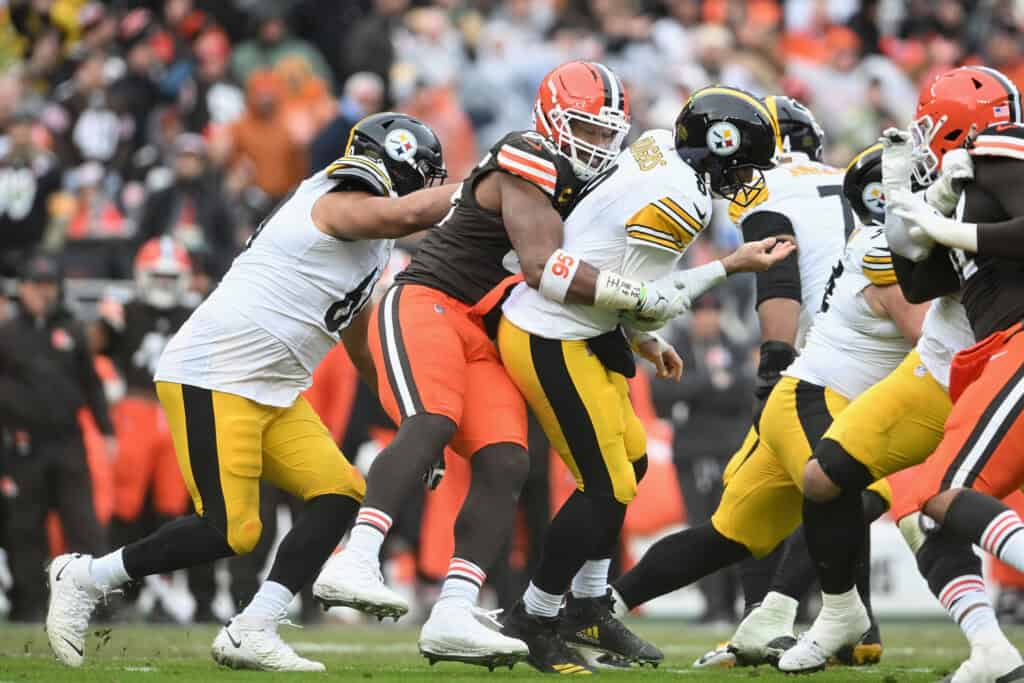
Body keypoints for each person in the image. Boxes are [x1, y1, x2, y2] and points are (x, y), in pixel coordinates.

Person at [312, 61, 691, 673]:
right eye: (585, 129)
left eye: (606, 133)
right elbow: (544, 268)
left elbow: (578, 273)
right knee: (433, 420)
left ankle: (455, 612)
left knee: (507, 461)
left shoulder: (588, 184)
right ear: (551, 119)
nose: (597, 144)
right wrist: (644, 301)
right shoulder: (526, 154)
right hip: (431, 301)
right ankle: (355, 557)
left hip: (489, 329)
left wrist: (637, 333)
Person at [44, 112, 450, 672]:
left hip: (275, 389)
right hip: (215, 374)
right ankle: (86, 577)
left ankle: (254, 627)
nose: (428, 186)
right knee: (232, 528)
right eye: (426, 174)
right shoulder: (333, 198)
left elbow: (358, 340)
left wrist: (407, 419)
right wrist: (492, 179)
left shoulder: (371, 244)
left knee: (339, 493)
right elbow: (408, 212)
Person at [497, 85, 794, 670]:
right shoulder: (685, 198)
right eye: (744, 165)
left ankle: (587, 607)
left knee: (629, 465)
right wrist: (728, 266)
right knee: (605, 485)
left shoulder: (660, 147)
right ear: (719, 147)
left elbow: (611, 268)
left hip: (582, 329)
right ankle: (534, 615)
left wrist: (640, 337)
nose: (745, 178)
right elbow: (651, 297)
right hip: (552, 333)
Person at [607, 136, 930, 662]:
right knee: (854, 490)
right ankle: (826, 614)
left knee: (732, 532)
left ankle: (602, 608)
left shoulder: (820, 205)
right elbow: (930, 339)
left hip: (813, 383)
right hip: (819, 390)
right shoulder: (879, 244)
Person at [780, 65, 1024, 681]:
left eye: (929, 126)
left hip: (1003, 360)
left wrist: (949, 226)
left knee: (938, 497)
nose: (919, 139)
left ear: (959, 126)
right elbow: (920, 283)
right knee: (848, 483)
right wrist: (905, 210)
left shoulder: (1001, 154)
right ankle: (978, 646)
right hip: (953, 370)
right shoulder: (958, 181)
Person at [0, 252, 114, 622]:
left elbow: (91, 384)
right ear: (22, 289)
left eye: (48, 285)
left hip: (67, 441)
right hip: (23, 444)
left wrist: (106, 429)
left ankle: (96, 604)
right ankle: (28, 605)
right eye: (36, 285)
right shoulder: (7, 334)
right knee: (25, 526)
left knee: (83, 525)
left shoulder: (72, 331)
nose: (42, 292)